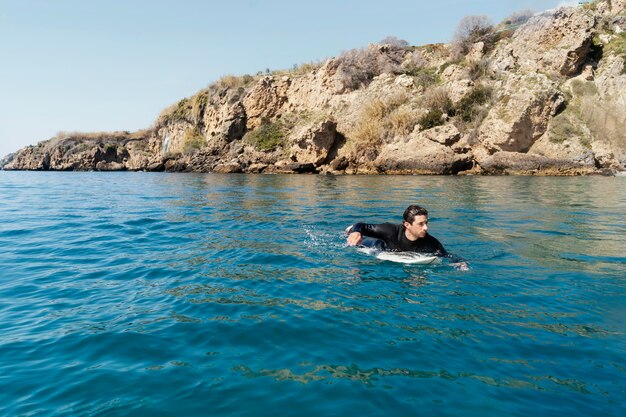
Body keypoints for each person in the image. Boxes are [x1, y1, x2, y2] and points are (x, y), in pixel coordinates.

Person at [345, 204, 447, 255]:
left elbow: (447, 256)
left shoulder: (430, 241)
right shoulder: (390, 230)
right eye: (421, 224)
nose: (426, 228)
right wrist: (356, 231)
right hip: (374, 245)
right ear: (407, 224)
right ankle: (350, 231)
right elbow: (361, 225)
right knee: (360, 239)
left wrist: (459, 263)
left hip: (396, 252)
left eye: (426, 223)